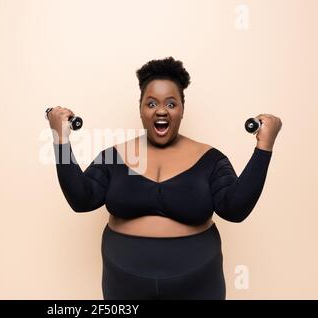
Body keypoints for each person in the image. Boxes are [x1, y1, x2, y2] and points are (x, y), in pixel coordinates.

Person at [47, 56, 282, 300]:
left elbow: (235, 209)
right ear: (140, 109)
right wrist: (60, 139)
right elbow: (81, 200)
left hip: (198, 281)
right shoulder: (114, 157)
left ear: (182, 109)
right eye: (151, 103)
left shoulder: (211, 159)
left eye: (171, 104)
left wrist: (265, 146)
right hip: (124, 282)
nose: (161, 110)